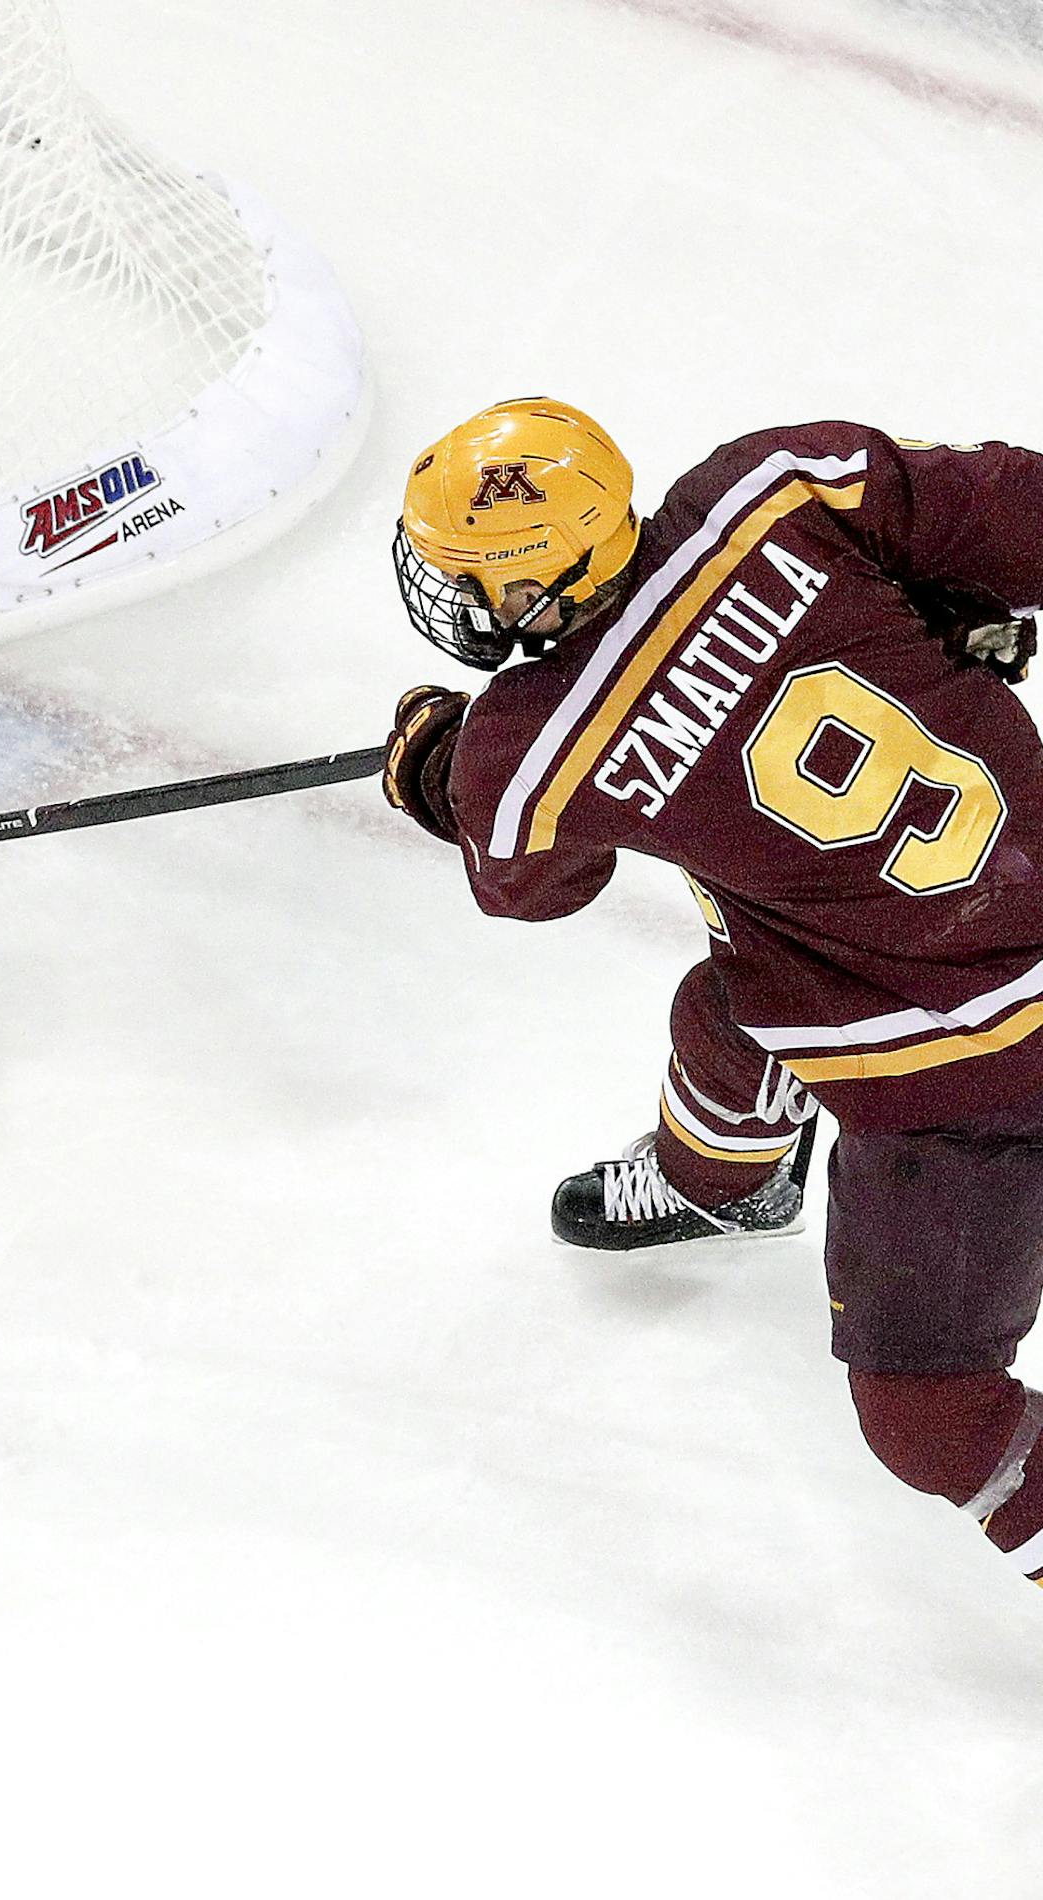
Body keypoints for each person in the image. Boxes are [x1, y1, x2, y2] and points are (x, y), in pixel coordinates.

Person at [382, 396, 1043, 1584]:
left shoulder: (531, 747)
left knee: (927, 1416)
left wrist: (438, 770)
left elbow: (532, 886)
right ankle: (718, 1185)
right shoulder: (779, 487)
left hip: (960, 1080)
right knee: (728, 1009)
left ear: (536, 591)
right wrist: (946, 605)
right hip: (1004, 891)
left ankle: (725, 1176)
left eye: (470, 573)